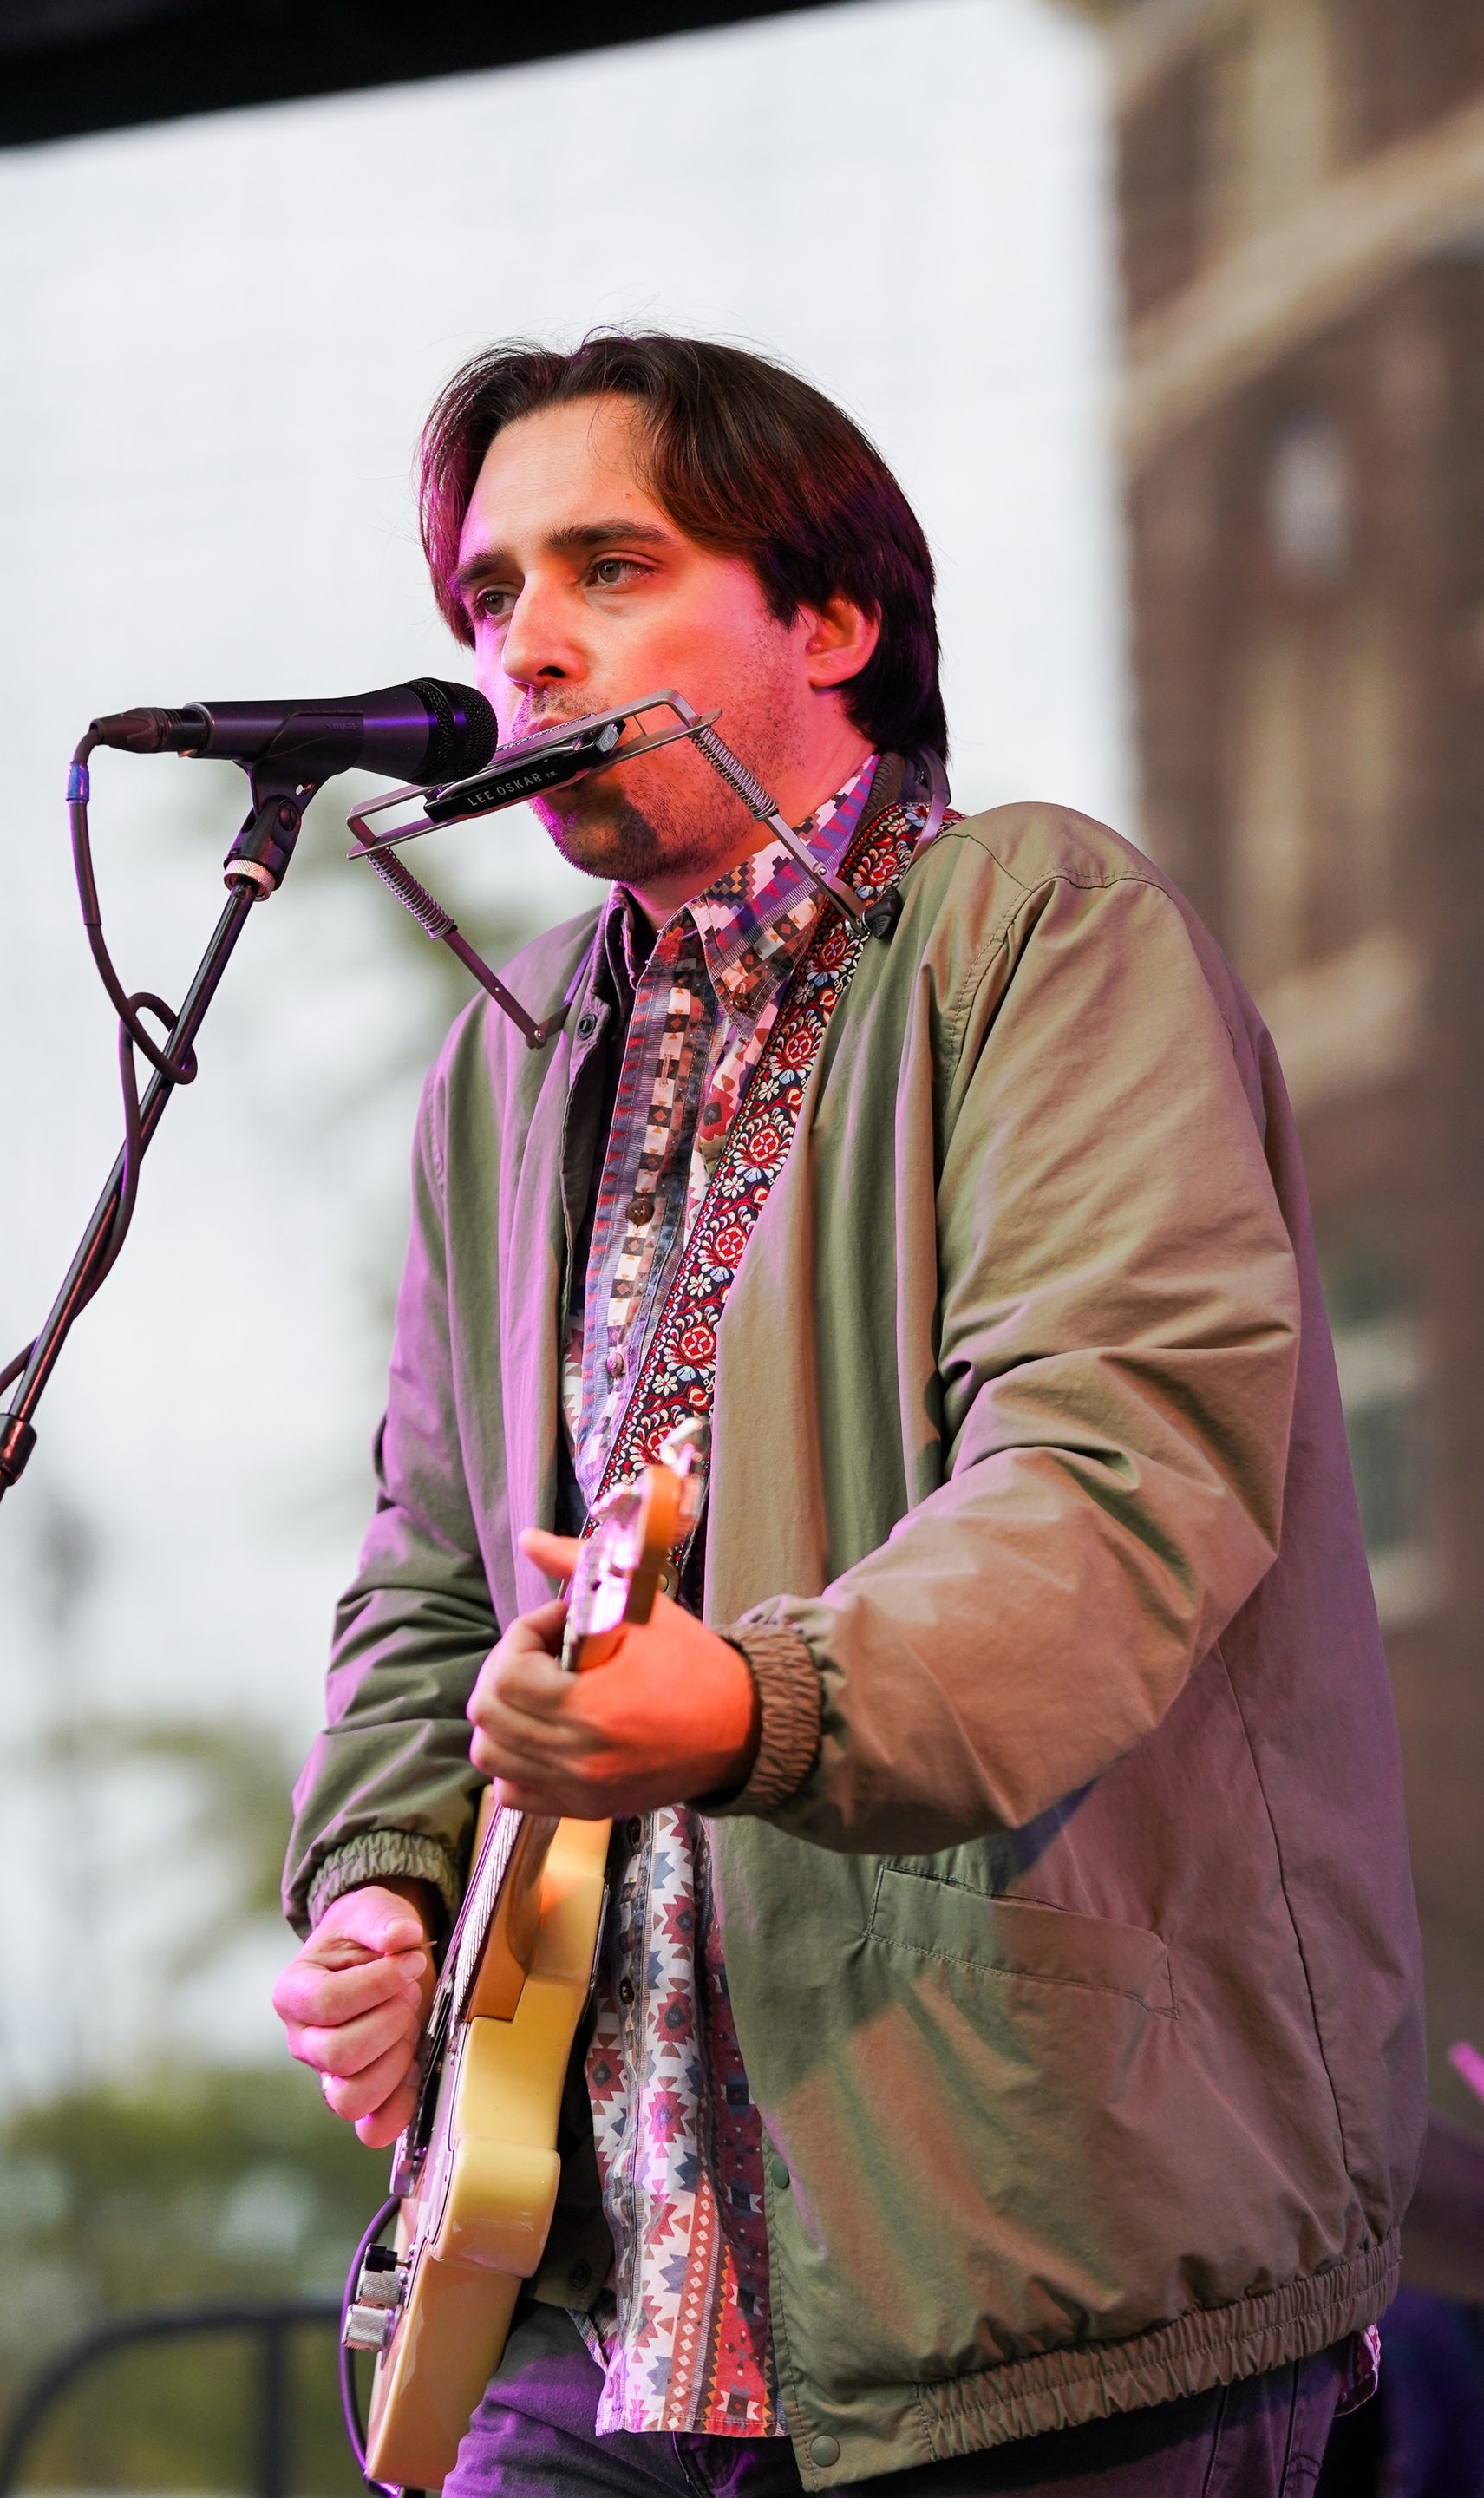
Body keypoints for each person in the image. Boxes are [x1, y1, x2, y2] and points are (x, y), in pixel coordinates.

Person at [271, 333, 1423, 2495]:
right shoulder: (509, 1061)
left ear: (832, 617)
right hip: (579, 2269)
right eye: (490, 593)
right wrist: (381, 1889)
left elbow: (1111, 1471)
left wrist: (753, 1705)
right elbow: (431, 1570)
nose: (526, 643)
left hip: (1028, 2278)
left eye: (606, 564)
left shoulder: (1039, 930)